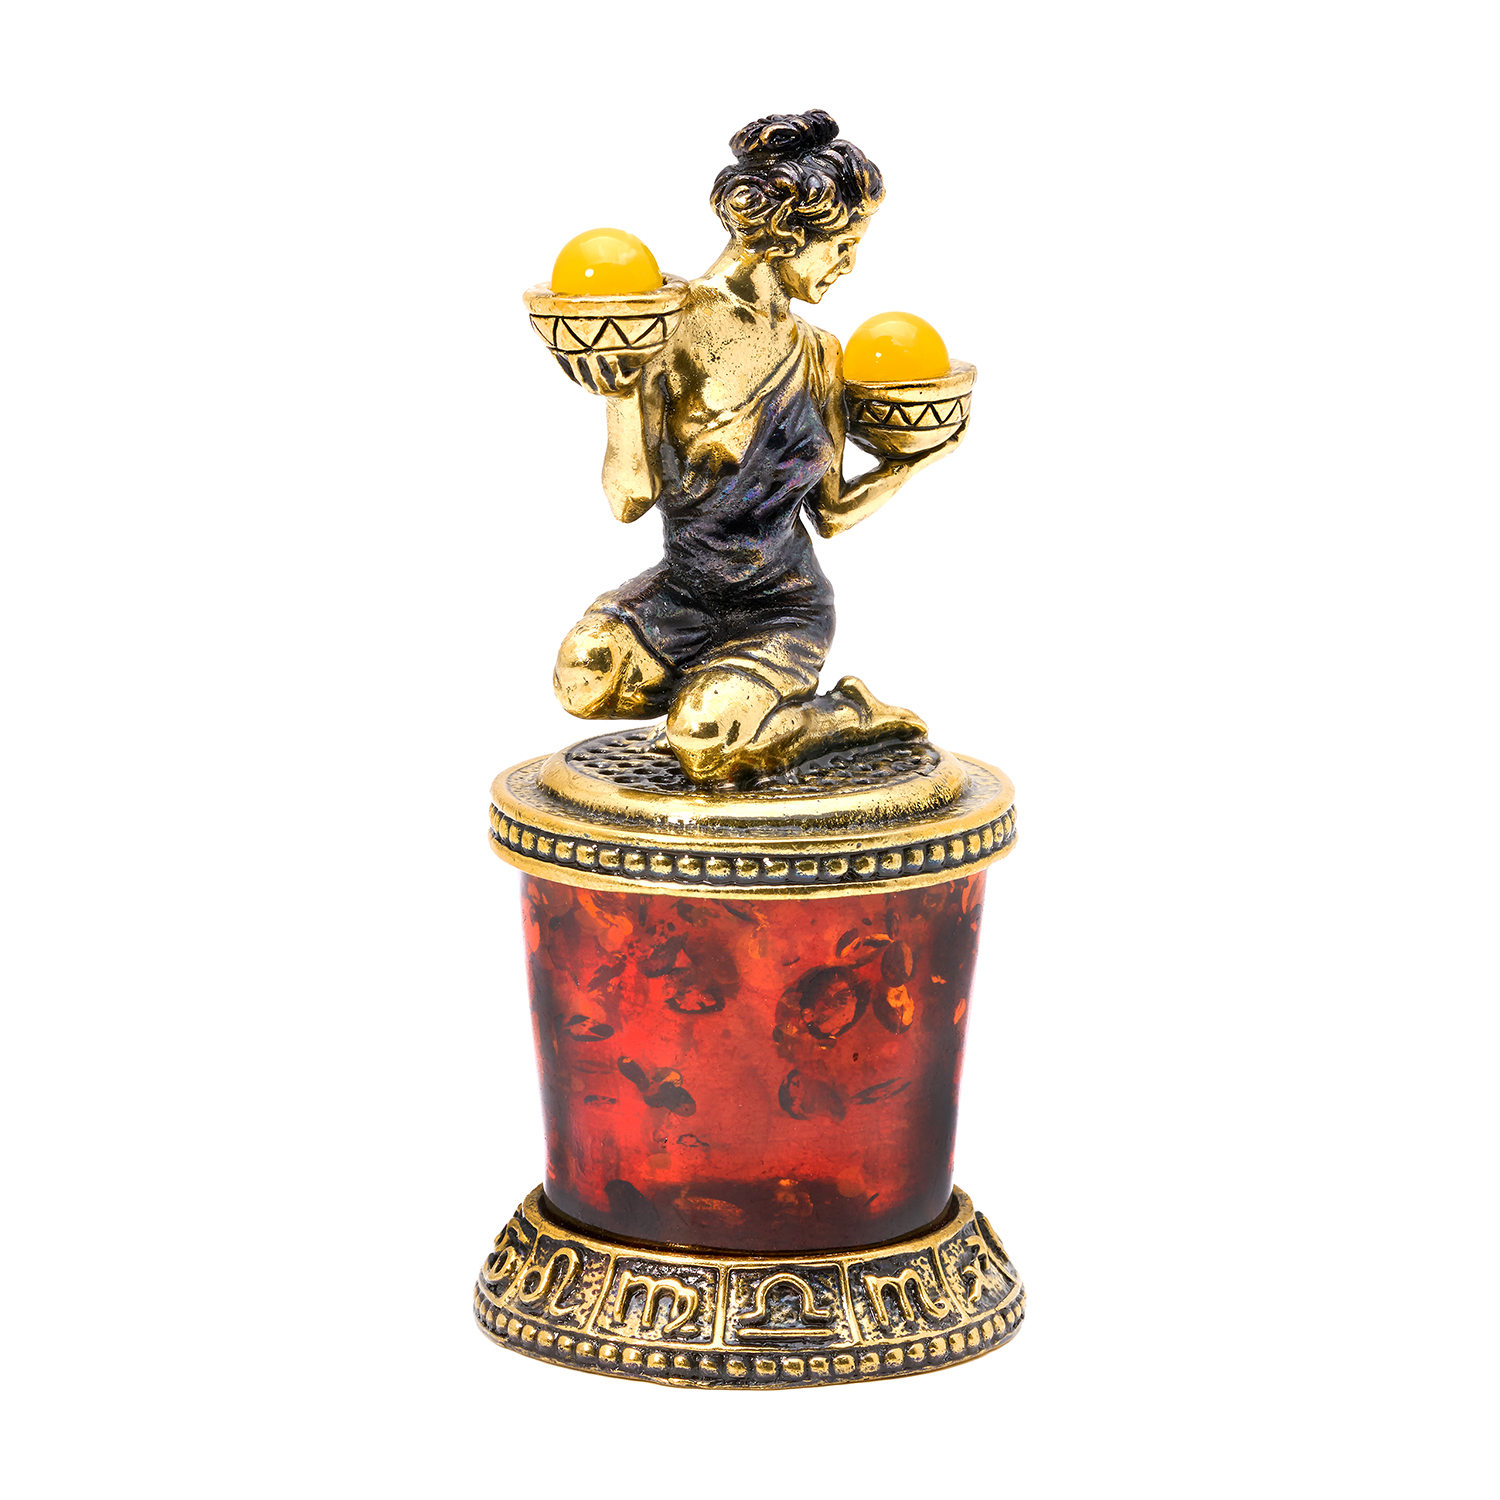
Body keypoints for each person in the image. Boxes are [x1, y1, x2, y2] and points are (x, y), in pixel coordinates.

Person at [553, 109, 965, 784]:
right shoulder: (664, 322)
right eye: (842, 244)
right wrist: (621, 391)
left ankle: (845, 715)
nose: (849, 266)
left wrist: (914, 460)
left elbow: (831, 513)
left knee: (705, 745)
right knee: (583, 678)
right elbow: (627, 501)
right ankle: (719, 704)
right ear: (788, 233)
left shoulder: (819, 355)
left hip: (784, 608)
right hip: (681, 592)